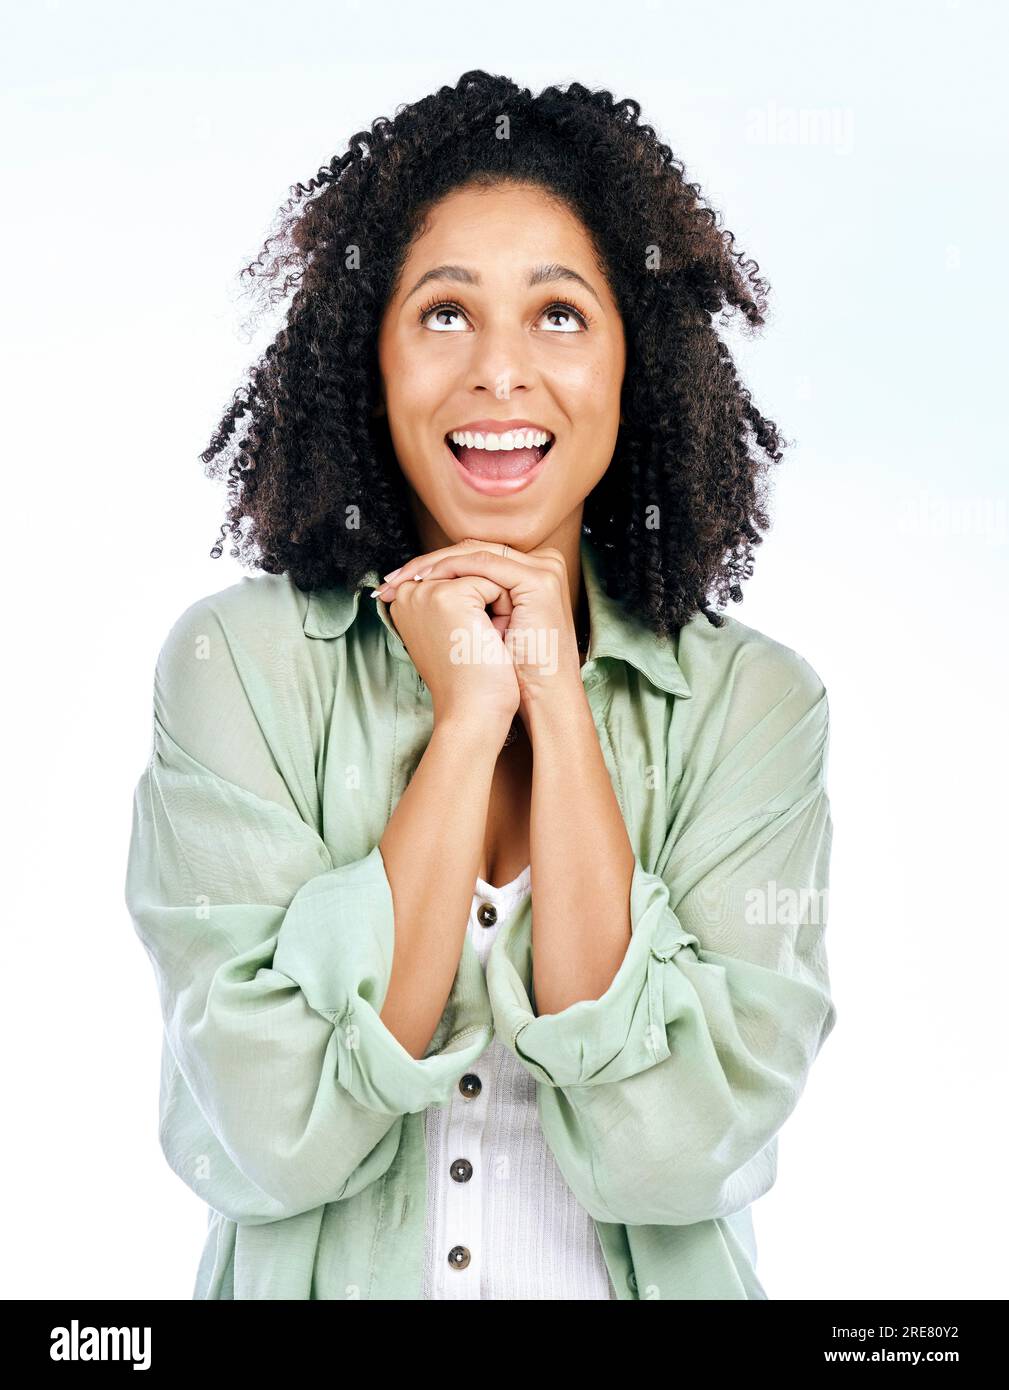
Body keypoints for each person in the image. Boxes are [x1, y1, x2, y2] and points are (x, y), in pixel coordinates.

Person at [125, 70, 835, 1300]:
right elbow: (272, 1128)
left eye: (559, 315)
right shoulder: (235, 670)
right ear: (369, 357)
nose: (500, 372)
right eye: (443, 314)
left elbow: (674, 1152)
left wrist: (554, 694)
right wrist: (469, 724)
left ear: (634, 360)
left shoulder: (756, 707)